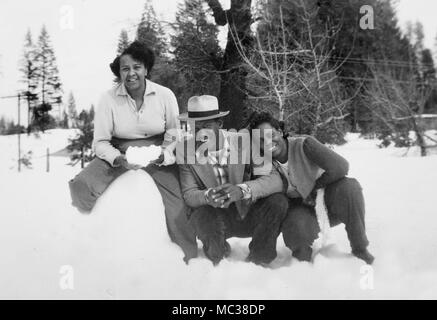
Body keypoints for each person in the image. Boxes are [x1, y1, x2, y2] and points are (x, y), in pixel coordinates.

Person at [68, 41, 197, 263]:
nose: (131, 73)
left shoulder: (165, 95)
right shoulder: (108, 99)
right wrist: (118, 159)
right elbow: (99, 142)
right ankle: (86, 244)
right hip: (119, 149)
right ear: (119, 73)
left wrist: (163, 154)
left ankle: (188, 255)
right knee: (81, 187)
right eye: (125, 68)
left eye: (136, 67)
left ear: (146, 69)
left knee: (177, 200)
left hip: (157, 149)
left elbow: (174, 133)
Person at [249, 112, 375, 265]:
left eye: (271, 134)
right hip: (300, 208)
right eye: (261, 140)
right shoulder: (263, 163)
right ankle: (303, 265)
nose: (267, 142)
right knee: (297, 231)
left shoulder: (304, 144)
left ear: (280, 131)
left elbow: (341, 166)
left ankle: (360, 248)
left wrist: (314, 188)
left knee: (350, 187)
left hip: (326, 200)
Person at [177, 95, 289, 266]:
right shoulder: (185, 151)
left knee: (278, 201)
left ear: (220, 124)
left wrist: (242, 190)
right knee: (200, 215)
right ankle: (218, 255)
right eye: (195, 127)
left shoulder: (245, 141)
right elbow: (189, 194)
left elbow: (275, 179)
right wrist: (207, 196)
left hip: (249, 212)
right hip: (217, 216)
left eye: (206, 126)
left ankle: (260, 258)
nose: (200, 133)